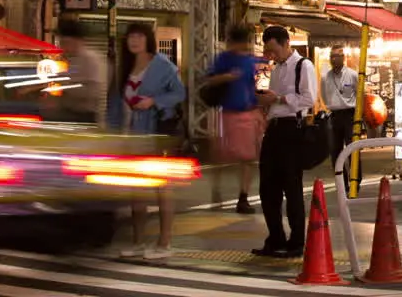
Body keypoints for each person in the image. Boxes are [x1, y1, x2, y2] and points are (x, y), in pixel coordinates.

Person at [108, 23, 186, 260]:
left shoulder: (161, 64)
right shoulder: (125, 66)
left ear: (148, 39)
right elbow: (114, 102)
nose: (134, 40)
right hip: (132, 135)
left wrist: (154, 102)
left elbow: (180, 93)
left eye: (139, 36)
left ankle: (164, 243)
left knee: (163, 189)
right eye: (131, 36)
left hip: (157, 134)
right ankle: (138, 242)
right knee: (138, 192)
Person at [253, 26, 317, 258]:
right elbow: (274, 102)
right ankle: (275, 238)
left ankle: (297, 241)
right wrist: (265, 103)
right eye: (267, 51)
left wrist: (277, 98)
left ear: (285, 43)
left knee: (292, 187)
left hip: (293, 130)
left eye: (273, 50)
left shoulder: (303, 65)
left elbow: (309, 98)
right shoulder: (276, 69)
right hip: (274, 130)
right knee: (267, 187)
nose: (271, 55)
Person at [205, 24, 263, 214]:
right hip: (227, 112)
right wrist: (228, 77)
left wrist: (257, 108)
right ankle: (216, 191)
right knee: (221, 156)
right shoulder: (224, 59)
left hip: (245, 112)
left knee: (247, 158)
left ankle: (243, 197)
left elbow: (250, 85)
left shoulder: (248, 61)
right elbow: (210, 80)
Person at [56, 18, 105, 124]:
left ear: (78, 41)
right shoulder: (69, 59)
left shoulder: (91, 59)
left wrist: (66, 85)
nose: (63, 46)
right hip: (67, 114)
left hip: (85, 116)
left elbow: (93, 92)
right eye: (62, 42)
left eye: (66, 42)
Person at [322, 47, 357, 190]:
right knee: (335, 150)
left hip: (350, 114)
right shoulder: (326, 77)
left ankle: (355, 180)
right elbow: (324, 96)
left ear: (344, 57)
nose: (333, 59)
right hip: (334, 115)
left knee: (352, 149)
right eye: (331, 56)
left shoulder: (352, 75)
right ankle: (342, 182)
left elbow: (360, 95)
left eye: (337, 56)